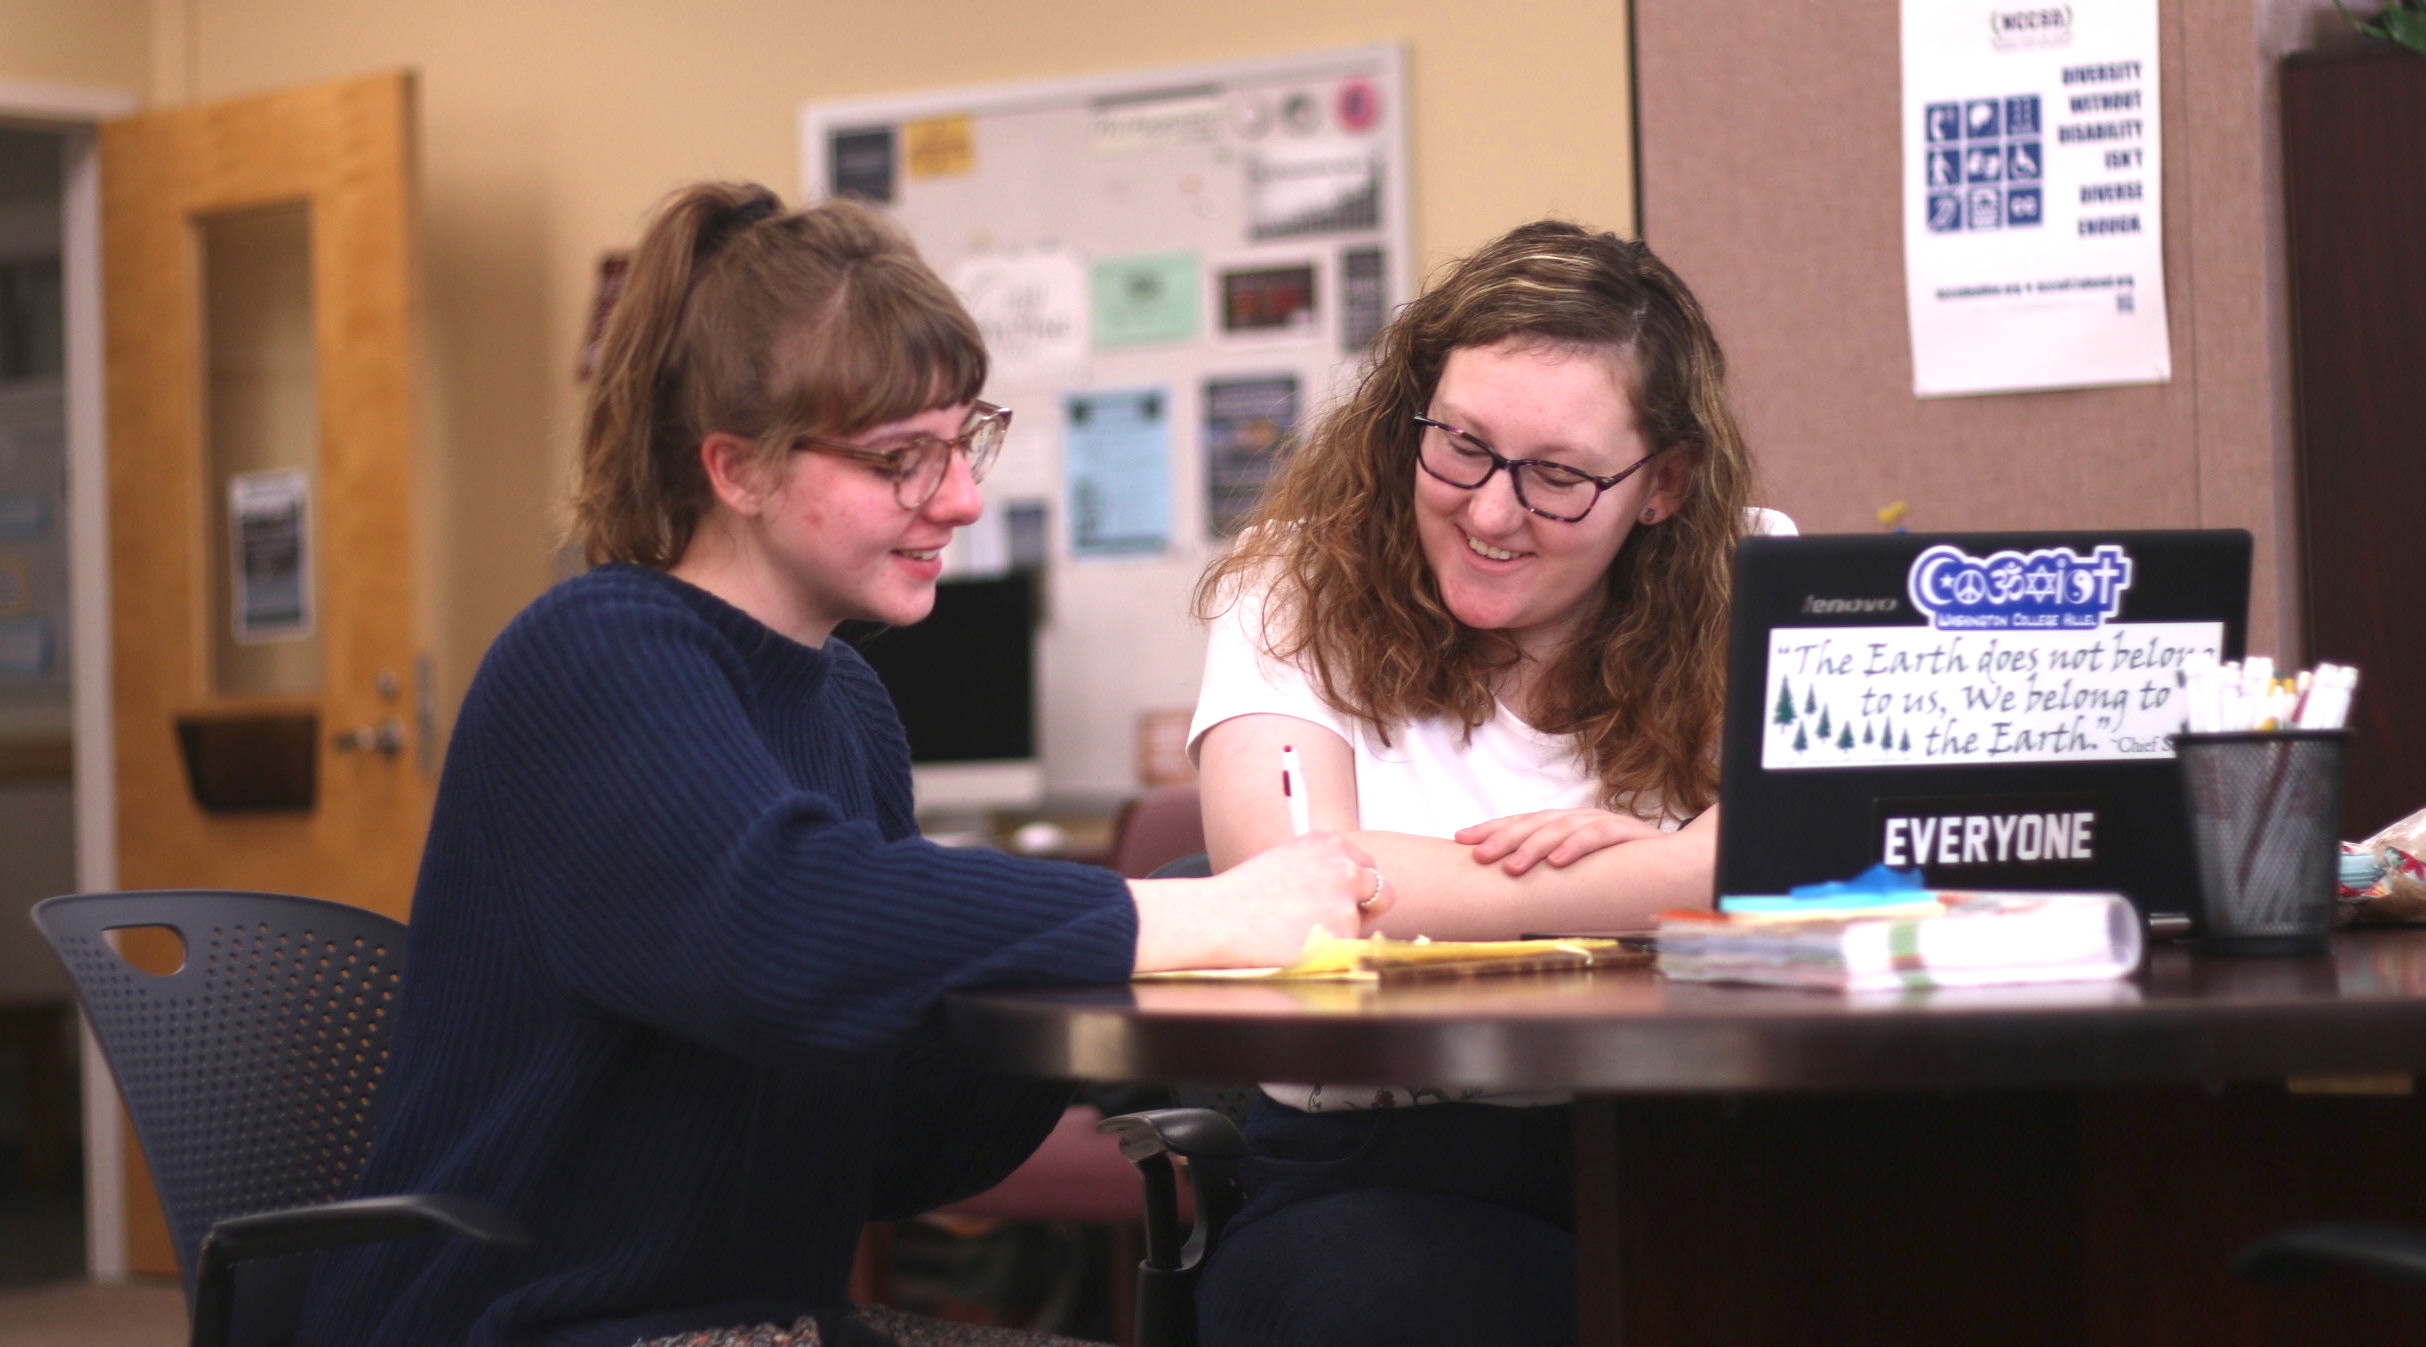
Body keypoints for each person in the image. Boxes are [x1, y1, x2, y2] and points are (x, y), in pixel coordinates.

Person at [294, 183, 1382, 1347]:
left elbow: (888, 1143)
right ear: (739, 468)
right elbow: (776, 921)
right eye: (899, 460)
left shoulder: (845, 701)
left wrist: (1125, 981)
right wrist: (1185, 924)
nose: (960, 497)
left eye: (965, 440)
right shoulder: (592, 654)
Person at [1186, 220, 1788, 1347]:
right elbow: (1285, 890)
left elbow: (1820, 860)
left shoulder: (1748, 581)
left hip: (1687, 1149)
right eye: (1459, 446)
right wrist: (1669, 873)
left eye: (1557, 476)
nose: (1491, 510)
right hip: (1376, 1172)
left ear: (1660, 484)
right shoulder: (1292, 589)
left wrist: (1445, 895)